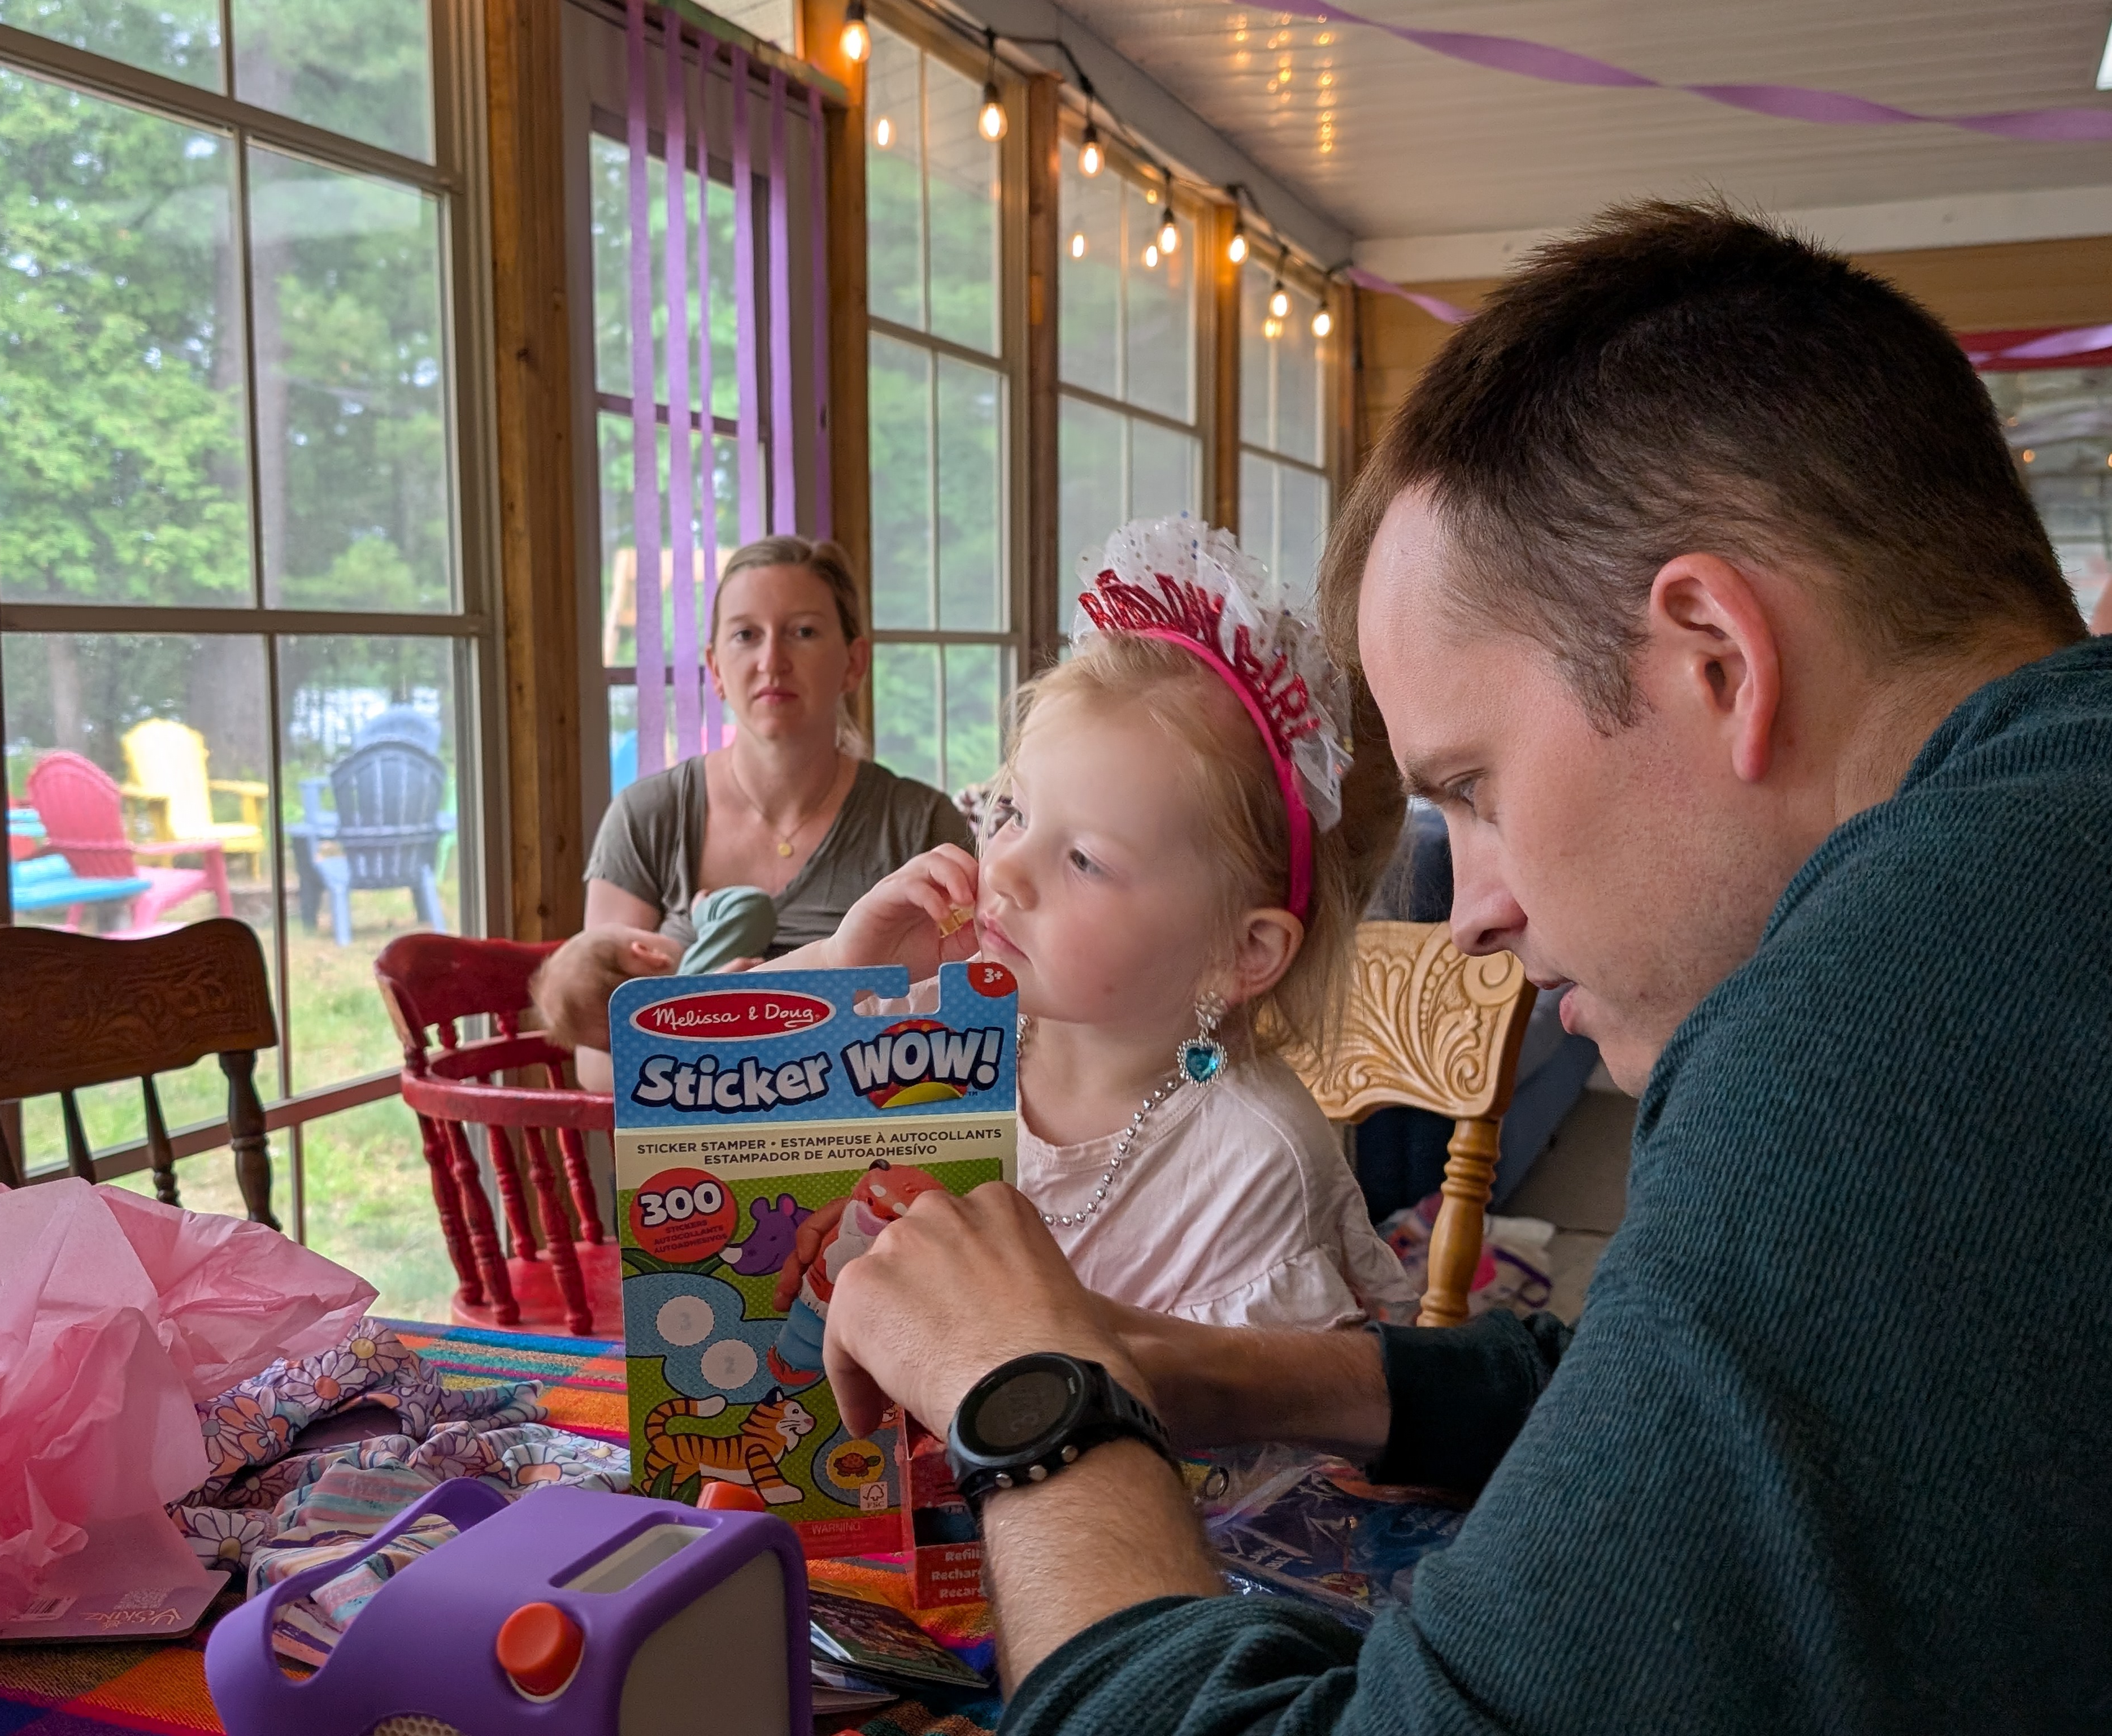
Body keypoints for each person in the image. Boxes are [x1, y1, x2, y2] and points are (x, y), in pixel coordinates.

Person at [798, 202, 2112, 1731]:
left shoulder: (1892, 1024)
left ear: (1714, 657)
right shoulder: (2034, 882)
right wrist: (1230, 1374)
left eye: (1472, 787)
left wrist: (1034, 1397)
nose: (1470, 911)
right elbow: (1673, 1390)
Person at [764, 519, 1413, 1333]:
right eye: (1012, 811)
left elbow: (1221, 1409)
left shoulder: (1252, 1163)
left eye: (1083, 860)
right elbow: (672, 1084)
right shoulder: (942, 1020)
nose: (1004, 869)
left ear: (1240, 951)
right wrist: (842, 967)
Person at [538, 536, 970, 1064]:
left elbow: (974, 1021)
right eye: (746, 635)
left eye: (803, 632)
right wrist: (715, 1020)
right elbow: (598, 1064)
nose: (772, 661)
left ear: (854, 663)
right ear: (716, 668)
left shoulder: (921, 824)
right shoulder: (646, 817)